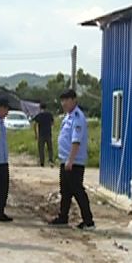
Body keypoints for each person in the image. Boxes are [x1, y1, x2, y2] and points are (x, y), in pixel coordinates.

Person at [49, 89, 95, 229]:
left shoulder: (77, 117)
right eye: (62, 100)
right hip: (66, 160)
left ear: (74, 100)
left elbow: (76, 141)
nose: (63, 103)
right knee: (65, 191)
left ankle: (88, 221)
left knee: (77, 190)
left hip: (74, 162)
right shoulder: (68, 117)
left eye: (66, 100)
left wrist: (70, 159)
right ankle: (63, 217)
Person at [32, 102, 55, 167]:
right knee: (50, 148)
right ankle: (51, 160)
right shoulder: (49, 114)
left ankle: (42, 162)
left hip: (41, 134)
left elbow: (34, 124)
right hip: (48, 133)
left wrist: (36, 134)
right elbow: (53, 123)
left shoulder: (39, 115)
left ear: (40, 108)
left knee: (41, 149)